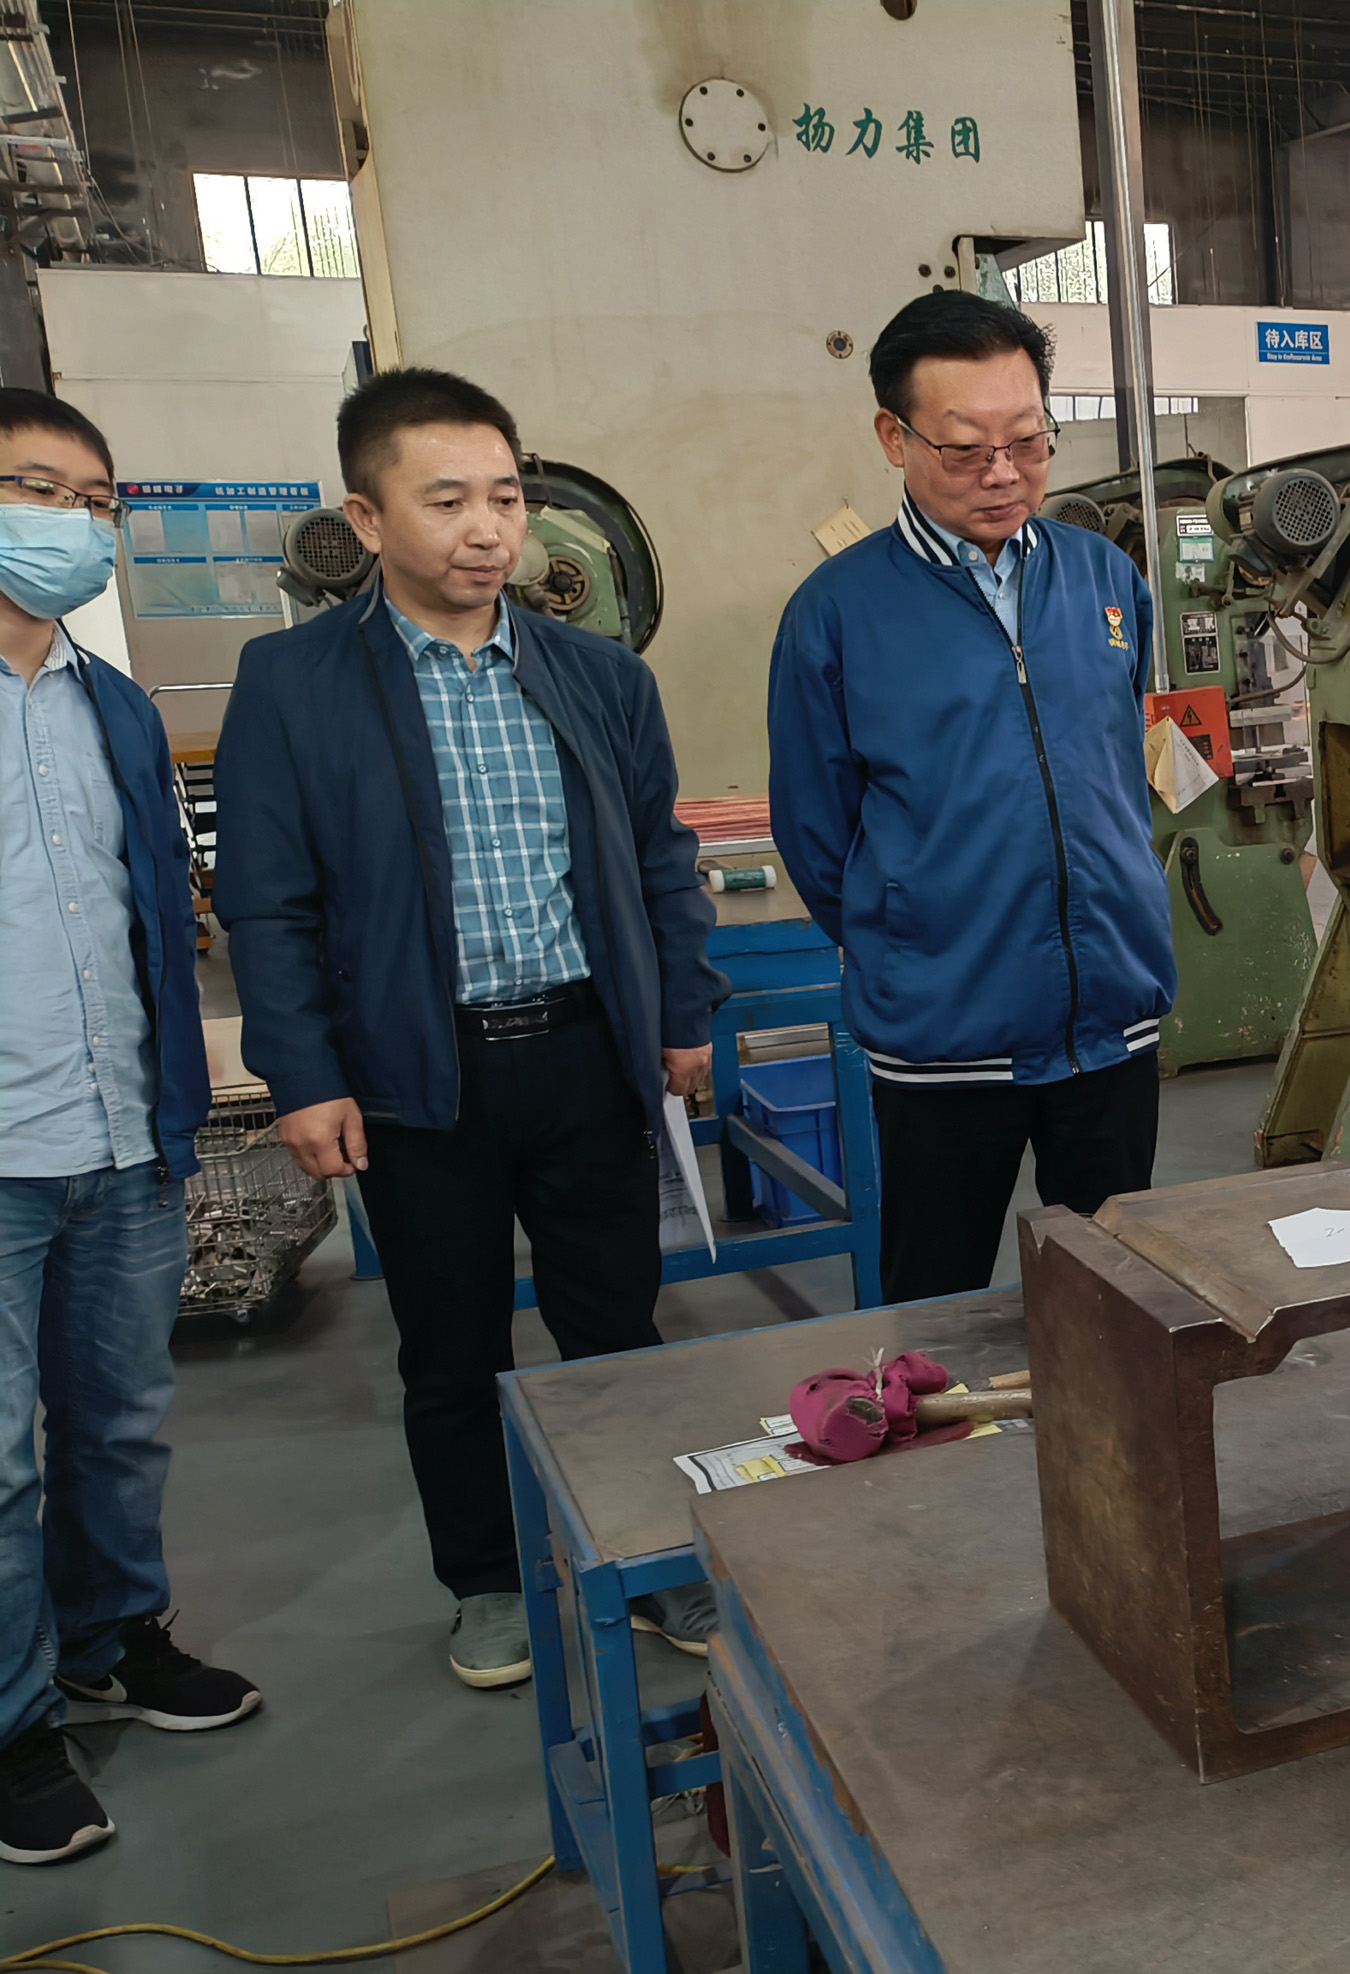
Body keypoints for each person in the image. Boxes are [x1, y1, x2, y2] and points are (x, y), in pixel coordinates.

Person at [218, 368, 727, 1690]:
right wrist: (303, 1074)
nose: (488, 529)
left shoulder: (598, 674)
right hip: (414, 1078)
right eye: (446, 501)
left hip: (585, 1054)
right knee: (450, 1348)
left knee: (616, 1326)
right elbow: (267, 902)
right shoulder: (293, 683)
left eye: (504, 497)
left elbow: (660, 859)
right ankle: (489, 1580)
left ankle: (649, 1551)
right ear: (366, 518)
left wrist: (680, 1011)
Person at [769, 291, 1173, 1305]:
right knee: (933, 1311)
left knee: (1118, 1305)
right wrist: (912, 935)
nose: (1003, 473)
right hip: (944, 1037)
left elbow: (1117, 769)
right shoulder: (838, 613)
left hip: (1110, 1021)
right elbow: (815, 831)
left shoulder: (1106, 579)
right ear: (893, 438)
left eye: (1029, 442)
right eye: (965, 449)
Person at [0, 391, 254, 1868]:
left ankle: (111, 1640)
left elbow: (154, 911)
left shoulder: (113, 706)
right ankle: (13, 1726)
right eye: (40, 489)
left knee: (118, 1423)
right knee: (1, 1466)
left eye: (97, 501)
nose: (76, 524)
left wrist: (171, 1102)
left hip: (119, 1133)